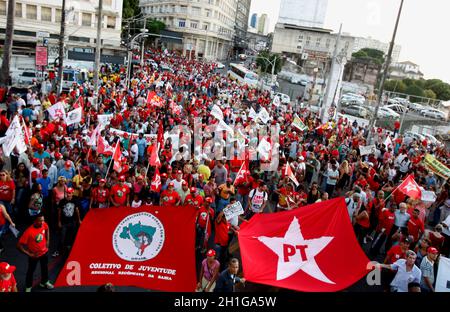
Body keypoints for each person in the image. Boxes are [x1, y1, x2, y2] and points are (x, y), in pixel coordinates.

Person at [17, 214, 54, 292]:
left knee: (44, 268)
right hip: (34, 255)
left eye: (43, 220)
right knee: (31, 271)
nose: (42, 222)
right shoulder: (29, 231)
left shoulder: (44, 224)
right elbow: (18, 245)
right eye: (40, 220)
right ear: (35, 221)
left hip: (44, 252)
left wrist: (48, 240)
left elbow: (47, 229)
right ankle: (28, 287)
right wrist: (29, 254)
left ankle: (44, 282)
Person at [53, 187, 81, 257]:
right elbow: (59, 211)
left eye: (70, 193)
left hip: (72, 222)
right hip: (64, 222)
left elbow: (77, 211)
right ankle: (58, 251)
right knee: (62, 237)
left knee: (72, 236)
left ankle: (71, 251)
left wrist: (79, 220)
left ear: (72, 193)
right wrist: (59, 221)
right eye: (68, 193)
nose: (69, 194)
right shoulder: (62, 201)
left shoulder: (75, 200)